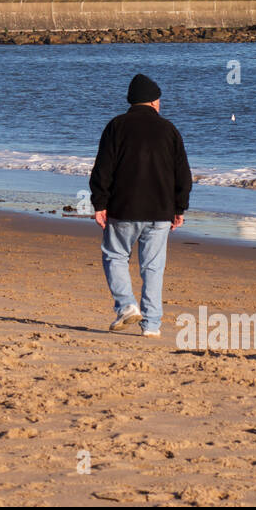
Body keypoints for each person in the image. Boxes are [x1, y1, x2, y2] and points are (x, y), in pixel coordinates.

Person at [88, 73, 192, 337]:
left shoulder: (116, 126)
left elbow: (103, 168)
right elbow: (183, 174)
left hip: (123, 208)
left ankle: (126, 306)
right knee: (153, 267)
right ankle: (152, 325)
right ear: (154, 102)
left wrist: (99, 203)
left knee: (115, 256)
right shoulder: (169, 129)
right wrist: (179, 208)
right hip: (159, 210)